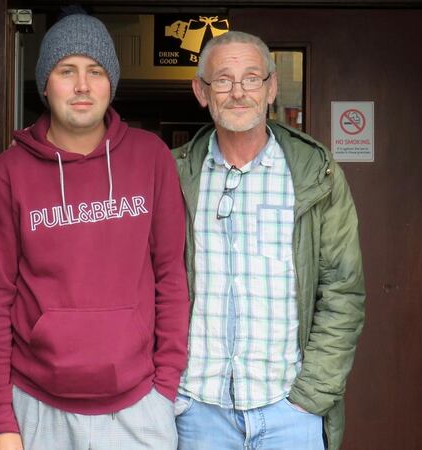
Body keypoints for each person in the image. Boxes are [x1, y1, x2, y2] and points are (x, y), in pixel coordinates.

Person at [0, 11, 190, 450]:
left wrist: (164, 388)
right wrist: (1, 419)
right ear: (45, 83)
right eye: (66, 71)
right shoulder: (9, 173)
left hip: (138, 408)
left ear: (110, 83)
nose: (81, 86)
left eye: (95, 72)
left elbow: (171, 276)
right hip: (37, 408)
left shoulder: (152, 159)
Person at [172, 31, 366, 450]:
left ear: (271, 86)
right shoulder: (173, 176)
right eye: (222, 79)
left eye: (252, 78)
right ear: (201, 91)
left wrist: (310, 398)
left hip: (288, 413)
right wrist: (171, 395)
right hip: (196, 410)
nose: (238, 92)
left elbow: (343, 292)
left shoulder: (317, 174)